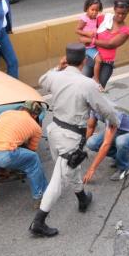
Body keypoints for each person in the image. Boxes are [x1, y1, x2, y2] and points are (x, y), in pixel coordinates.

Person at [29, 44, 119, 238]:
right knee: (59, 179)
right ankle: (39, 221)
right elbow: (106, 109)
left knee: (69, 169)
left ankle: (82, 198)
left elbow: (42, 80)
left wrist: (58, 67)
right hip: (71, 138)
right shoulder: (87, 84)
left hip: (54, 131)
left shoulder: (55, 76)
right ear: (85, 61)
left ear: (66, 59)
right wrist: (115, 122)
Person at [0, 101, 47, 211]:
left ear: (22, 108)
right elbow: (32, 149)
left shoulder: (6, 113)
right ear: (35, 115)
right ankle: (40, 195)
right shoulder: (36, 127)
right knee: (33, 160)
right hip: (3, 153)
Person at [86, 108, 129, 181]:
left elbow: (106, 144)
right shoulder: (94, 108)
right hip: (116, 132)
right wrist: (82, 147)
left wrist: (92, 169)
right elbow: (90, 126)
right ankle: (120, 157)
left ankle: (124, 168)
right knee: (91, 143)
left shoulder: (113, 113)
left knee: (121, 141)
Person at [92, 0, 129, 90]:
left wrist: (91, 40)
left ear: (128, 11)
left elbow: (110, 44)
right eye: (118, 13)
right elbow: (88, 27)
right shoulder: (103, 19)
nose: (120, 16)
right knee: (82, 87)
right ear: (114, 9)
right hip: (92, 57)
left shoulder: (126, 30)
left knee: (98, 90)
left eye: (124, 14)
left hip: (107, 64)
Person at [76, 0, 103, 78]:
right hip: (87, 47)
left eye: (97, 10)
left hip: (94, 44)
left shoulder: (96, 18)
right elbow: (77, 30)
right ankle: (96, 79)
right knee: (98, 60)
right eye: (92, 10)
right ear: (87, 8)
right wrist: (87, 33)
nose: (94, 12)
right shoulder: (84, 19)